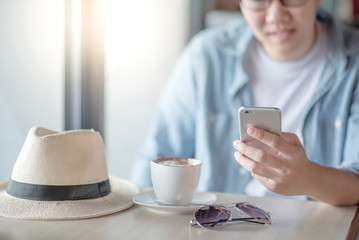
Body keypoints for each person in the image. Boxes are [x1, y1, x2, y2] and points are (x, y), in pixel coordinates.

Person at [131, 0, 359, 206]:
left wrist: (308, 179)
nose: (275, 16)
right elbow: (158, 158)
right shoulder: (206, 56)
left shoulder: (354, 63)